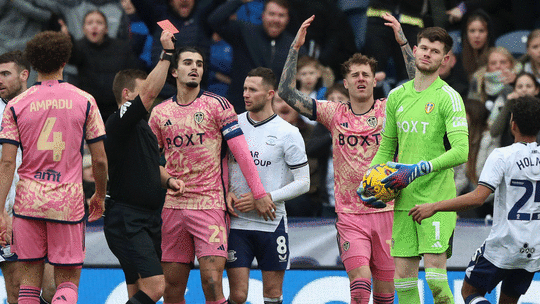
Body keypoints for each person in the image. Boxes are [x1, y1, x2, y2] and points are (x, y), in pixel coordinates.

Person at [278, 15, 395, 304]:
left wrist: (403, 41)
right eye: (354, 75)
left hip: (387, 212)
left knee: (385, 295)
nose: (360, 79)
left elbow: (423, 86)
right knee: (360, 282)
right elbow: (285, 93)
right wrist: (295, 48)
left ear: (374, 79)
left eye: (365, 74)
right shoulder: (334, 113)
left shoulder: (390, 109)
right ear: (345, 82)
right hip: (350, 215)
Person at [148, 45, 275, 304]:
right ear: (173, 71)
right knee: (172, 290)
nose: (195, 67)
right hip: (174, 207)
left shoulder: (217, 105)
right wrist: (169, 181)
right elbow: (149, 163)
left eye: (199, 63)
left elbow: (241, 153)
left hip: (209, 205)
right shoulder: (160, 113)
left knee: (211, 281)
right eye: (187, 63)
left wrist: (259, 193)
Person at [361, 25, 469, 304]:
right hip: (403, 199)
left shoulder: (449, 97)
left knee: (435, 281)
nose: (428, 54)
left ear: (445, 59)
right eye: (424, 48)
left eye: (436, 51)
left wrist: (417, 169)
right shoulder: (397, 96)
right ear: (416, 49)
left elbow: (461, 151)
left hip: (436, 200)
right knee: (404, 283)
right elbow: (387, 147)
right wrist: (368, 179)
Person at [0, 31, 108, 304]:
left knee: (28, 286)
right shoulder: (84, 100)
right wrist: (99, 193)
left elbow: (7, 162)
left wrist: (0, 210)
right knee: (67, 284)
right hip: (67, 202)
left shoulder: (15, 105)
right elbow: (100, 160)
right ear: (64, 60)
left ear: (33, 65)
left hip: (27, 204)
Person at [409, 95, 540, 304]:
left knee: (469, 292)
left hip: (504, 244)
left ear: (512, 124)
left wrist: (435, 206)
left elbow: (478, 198)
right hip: (533, 248)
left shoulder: (502, 156)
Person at [104, 31, 187, 304]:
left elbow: (153, 166)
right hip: (128, 218)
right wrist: (166, 55)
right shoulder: (118, 121)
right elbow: (150, 93)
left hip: (148, 218)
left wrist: (169, 181)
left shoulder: (144, 129)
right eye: (142, 92)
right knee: (154, 287)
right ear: (127, 94)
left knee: (137, 288)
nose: (149, 97)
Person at [226, 67, 310, 304]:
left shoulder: (288, 133)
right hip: (237, 223)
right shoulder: (232, 125)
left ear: (270, 94)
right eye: (244, 88)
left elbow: (304, 182)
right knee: (238, 295)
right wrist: (226, 192)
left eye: (252, 89)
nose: (245, 94)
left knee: (272, 295)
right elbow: (220, 167)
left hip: (271, 223)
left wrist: (266, 197)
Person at [208, 0, 303, 114]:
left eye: (281, 15)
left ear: (287, 19)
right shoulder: (245, 31)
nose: (276, 20)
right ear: (263, 16)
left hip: (273, 114)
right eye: (271, 14)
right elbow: (215, 20)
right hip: (238, 111)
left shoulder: (295, 46)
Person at [63, 10, 140, 122]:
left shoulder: (121, 48)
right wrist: (68, 40)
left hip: (117, 109)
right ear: (84, 29)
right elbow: (72, 57)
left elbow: (134, 74)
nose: (94, 26)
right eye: (90, 23)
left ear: (106, 29)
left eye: (99, 23)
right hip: (90, 111)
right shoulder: (79, 47)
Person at [0, 50, 28, 304]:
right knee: (15, 288)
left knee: (49, 289)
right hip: (6, 211)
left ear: (23, 75)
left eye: (6, 74)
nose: (0, 79)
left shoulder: (40, 108)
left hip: (39, 208)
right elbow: (6, 162)